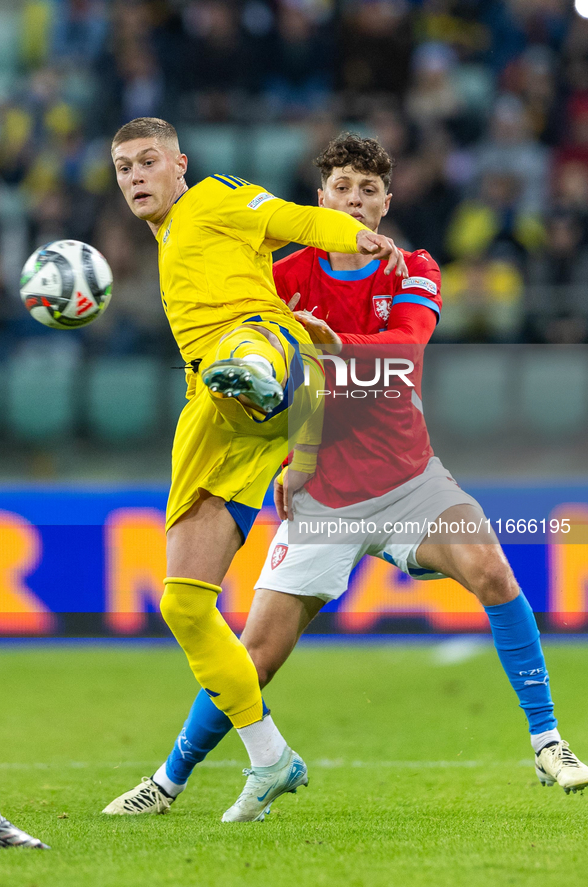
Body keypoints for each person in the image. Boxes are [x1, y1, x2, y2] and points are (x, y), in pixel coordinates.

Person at [104, 132, 588, 818]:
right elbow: (276, 378)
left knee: (492, 570)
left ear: (385, 203)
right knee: (254, 654)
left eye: (368, 191)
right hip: (322, 496)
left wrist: (329, 344)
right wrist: (297, 456)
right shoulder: (284, 277)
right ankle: (170, 778)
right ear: (321, 197)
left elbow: (406, 346)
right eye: (341, 190)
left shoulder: (412, 266)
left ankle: (548, 741)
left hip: (408, 481)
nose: (355, 202)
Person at [104, 119, 406, 823]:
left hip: (258, 349)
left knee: (249, 340)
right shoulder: (173, 234)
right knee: (183, 604)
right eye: (124, 169)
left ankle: (263, 380)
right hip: (210, 409)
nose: (137, 177)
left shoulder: (213, 198)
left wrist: (351, 234)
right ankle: (270, 756)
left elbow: (288, 216)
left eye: (149, 162)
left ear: (181, 164)